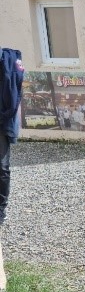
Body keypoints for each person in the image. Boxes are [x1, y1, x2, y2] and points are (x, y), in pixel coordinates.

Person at [0, 47, 24, 225]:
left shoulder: (8, 61)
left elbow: (14, 96)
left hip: (2, 120)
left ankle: (1, 209)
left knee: (1, 167)